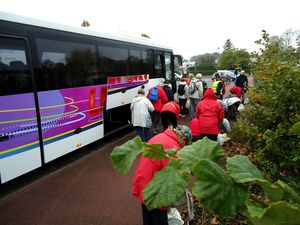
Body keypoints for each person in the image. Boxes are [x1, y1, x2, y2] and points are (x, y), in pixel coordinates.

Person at [132, 125, 192, 225]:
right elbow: (176, 177)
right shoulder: (174, 148)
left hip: (143, 183)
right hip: (156, 192)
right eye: (185, 144)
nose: (184, 147)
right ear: (183, 139)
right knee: (159, 220)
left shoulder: (158, 137)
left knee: (147, 218)